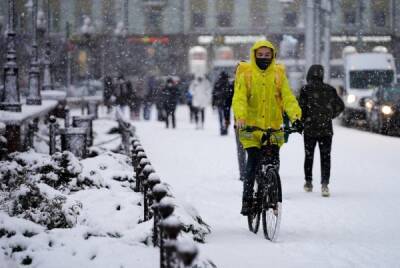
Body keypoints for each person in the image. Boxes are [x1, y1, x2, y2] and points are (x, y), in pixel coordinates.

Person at [232, 40, 303, 215]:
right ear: (254, 55)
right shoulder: (246, 74)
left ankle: (270, 192)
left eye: (267, 55)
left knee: (274, 163)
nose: (264, 58)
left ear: (273, 56)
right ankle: (247, 200)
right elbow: (239, 98)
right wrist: (240, 117)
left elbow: (288, 97)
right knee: (252, 163)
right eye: (260, 55)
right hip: (251, 129)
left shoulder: (278, 75)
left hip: (273, 128)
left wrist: (296, 117)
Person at [298, 64, 344, 197]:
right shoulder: (330, 89)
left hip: (309, 129)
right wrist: (330, 116)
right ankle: (325, 184)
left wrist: (304, 120)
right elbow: (340, 106)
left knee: (309, 156)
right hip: (326, 130)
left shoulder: (305, 90)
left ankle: (308, 182)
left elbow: (301, 108)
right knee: (325, 157)